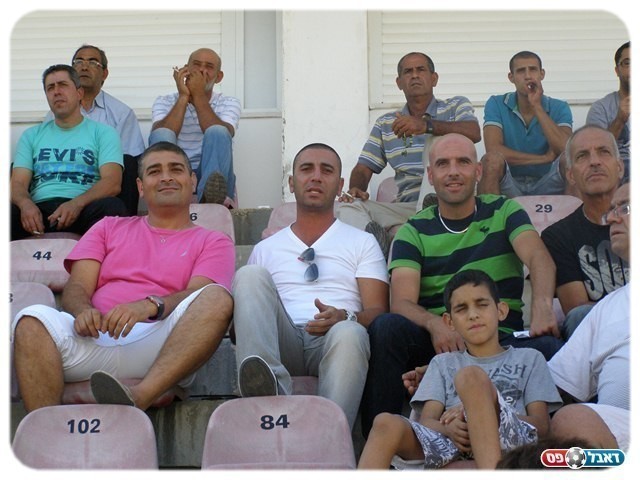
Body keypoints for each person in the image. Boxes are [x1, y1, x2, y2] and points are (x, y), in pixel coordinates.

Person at [360, 133, 564, 438]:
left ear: (478, 171)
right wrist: (435, 325)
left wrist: (543, 305)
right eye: (443, 164)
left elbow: (539, 258)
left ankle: (559, 446)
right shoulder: (413, 231)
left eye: (463, 162)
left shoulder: (504, 211)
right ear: (431, 175)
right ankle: (382, 438)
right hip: (444, 342)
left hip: (503, 340)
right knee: (387, 327)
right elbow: (401, 302)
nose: (453, 171)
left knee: (550, 346)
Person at [11, 142, 235, 412]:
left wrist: (150, 306)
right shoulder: (108, 227)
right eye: (154, 171)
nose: (166, 177)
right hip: (95, 337)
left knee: (217, 298)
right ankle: (46, 429)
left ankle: (140, 395)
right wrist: (83, 312)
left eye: (175, 169)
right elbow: (77, 286)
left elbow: (198, 295)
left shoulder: (214, 241)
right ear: (140, 186)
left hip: (162, 345)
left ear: (192, 180)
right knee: (31, 319)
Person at [231, 143, 389, 430]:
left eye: (326, 170)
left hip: (334, 340)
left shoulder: (362, 242)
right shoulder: (266, 248)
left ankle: (330, 435)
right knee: (250, 275)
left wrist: (345, 316)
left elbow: (379, 311)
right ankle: (267, 386)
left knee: (351, 332)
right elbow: (248, 317)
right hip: (281, 340)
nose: (316, 177)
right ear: (292, 183)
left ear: (339, 185)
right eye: (306, 169)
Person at [358, 270, 562, 469]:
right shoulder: (442, 363)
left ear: (501, 311)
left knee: (471, 378)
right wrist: (448, 428)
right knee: (385, 422)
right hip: (452, 442)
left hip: (510, 438)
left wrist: (483, 413)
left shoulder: (529, 358)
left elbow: (542, 426)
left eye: (482, 304)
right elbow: (427, 421)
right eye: (462, 309)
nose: (473, 315)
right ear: (449, 322)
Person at [337, 52, 480, 252]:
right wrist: (355, 189)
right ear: (399, 83)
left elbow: (474, 132)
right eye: (408, 72)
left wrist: (426, 126)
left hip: (449, 200)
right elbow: (363, 168)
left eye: (421, 70)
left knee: (438, 141)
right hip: (406, 208)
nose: (414, 75)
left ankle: (431, 211)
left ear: (434, 78)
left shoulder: (455, 106)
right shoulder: (386, 123)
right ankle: (374, 245)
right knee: (346, 206)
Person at [548, 182, 630, 452]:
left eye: (626, 208)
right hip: (621, 439)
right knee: (570, 422)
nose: (613, 218)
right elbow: (556, 386)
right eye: (612, 211)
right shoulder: (608, 308)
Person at [11, 64, 127, 240]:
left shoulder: (104, 133)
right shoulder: (31, 135)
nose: (56, 92)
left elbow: (112, 182)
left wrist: (76, 204)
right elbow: (17, 183)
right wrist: (25, 205)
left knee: (113, 208)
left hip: (84, 207)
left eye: (63, 85)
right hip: (38, 211)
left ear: (79, 93)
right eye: (50, 88)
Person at [541, 125, 628, 339]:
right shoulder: (558, 236)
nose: (594, 161)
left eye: (603, 152)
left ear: (620, 167)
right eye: (582, 156)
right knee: (580, 315)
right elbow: (577, 309)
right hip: (601, 337)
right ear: (571, 175)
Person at [44, 45, 146, 216]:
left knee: (128, 163)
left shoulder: (121, 112)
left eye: (92, 62)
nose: (84, 67)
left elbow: (127, 161)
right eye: (79, 62)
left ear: (104, 73)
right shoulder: (55, 113)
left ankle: (125, 226)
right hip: (68, 178)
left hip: (105, 183)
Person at [150, 48, 241, 208]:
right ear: (186, 69)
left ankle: (209, 198)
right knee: (161, 133)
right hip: (176, 173)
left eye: (209, 67)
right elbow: (160, 136)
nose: (201, 70)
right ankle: (168, 193)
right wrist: (183, 97)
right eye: (197, 65)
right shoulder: (163, 101)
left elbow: (224, 133)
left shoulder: (229, 102)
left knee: (218, 131)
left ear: (218, 77)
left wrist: (198, 95)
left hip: (214, 175)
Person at [479, 51, 573, 197]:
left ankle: (578, 212)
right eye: (521, 71)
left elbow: (566, 149)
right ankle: (489, 213)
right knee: (490, 161)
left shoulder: (560, 107)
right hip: (510, 181)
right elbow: (493, 150)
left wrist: (537, 107)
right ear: (511, 77)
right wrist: (544, 158)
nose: (528, 76)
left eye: (533, 69)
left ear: (542, 74)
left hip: (547, 180)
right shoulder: (496, 103)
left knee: (571, 161)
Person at [586, 41, 630, 183]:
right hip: (617, 169)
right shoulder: (601, 108)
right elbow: (592, 150)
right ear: (617, 70)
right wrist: (620, 120)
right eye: (628, 63)